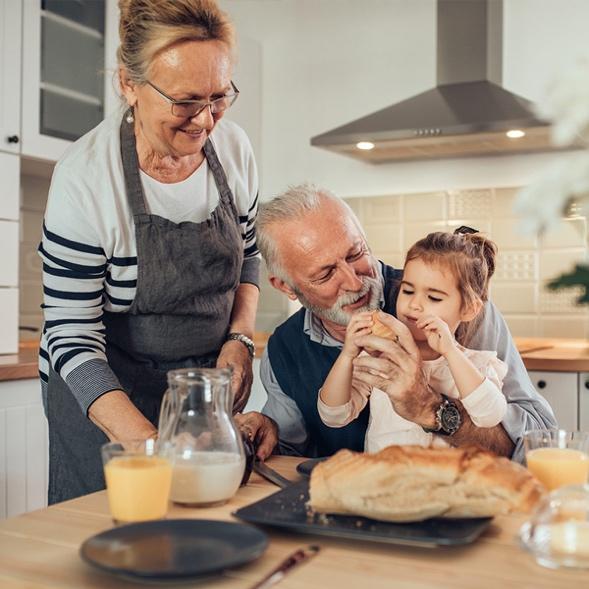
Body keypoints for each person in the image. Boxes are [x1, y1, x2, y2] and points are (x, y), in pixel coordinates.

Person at [39, 0, 260, 504]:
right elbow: (70, 336)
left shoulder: (235, 149)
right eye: (186, 101)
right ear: (128, 84)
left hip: (200, 397)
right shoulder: (86, 179)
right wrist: (149, 447)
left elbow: (249, 255)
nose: (206, 120)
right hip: (107, 393)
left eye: (220, 97)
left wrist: (240, 340)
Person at [237, 183, 556, 463]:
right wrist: (270, 432)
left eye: (355, 253)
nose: (353, 282)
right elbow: (293, 453)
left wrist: (430, 408)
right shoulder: (284, 348)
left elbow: (537, 445)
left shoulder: (450, 309)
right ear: (285, 286)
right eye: (325, 274)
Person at [318, 230, 508, 453]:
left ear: (468, 309)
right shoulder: (381, 356)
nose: (414, 304)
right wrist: (348, 355)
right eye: (407, 291)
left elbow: (489, 415)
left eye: (434, 297)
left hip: (446, 484)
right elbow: (333, 415)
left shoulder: (476, 364)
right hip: (386, 481)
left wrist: (451, 353)